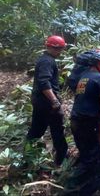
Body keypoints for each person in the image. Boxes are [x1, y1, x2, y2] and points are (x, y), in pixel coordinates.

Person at [65, 51, 100, 195]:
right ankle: (73, 187)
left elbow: (89, 99)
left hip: (76, 120)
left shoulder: (83, 77)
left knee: (85, 152)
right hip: (88, 122)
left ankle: (85, 180)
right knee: (91, 155)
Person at [26, 35, 68, 166]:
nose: (59, 52)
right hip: (47, 103)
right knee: (57, 131)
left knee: (37, 129)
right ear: (50, 47)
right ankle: (61, 161)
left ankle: (27, 156)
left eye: (61, 49)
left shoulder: (45, 59)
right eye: (57, 49)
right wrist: (54, 101)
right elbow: (44, 82)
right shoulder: (47, 61)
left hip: (40, 101)